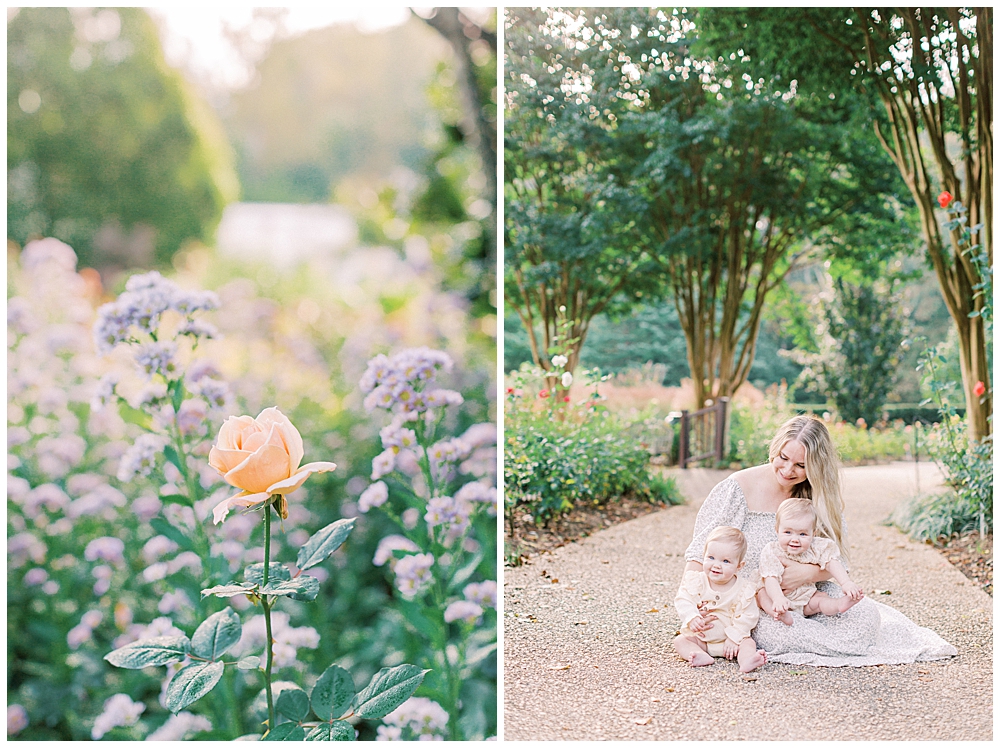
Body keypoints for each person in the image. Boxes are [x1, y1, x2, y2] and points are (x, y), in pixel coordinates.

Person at [684, 414, 957, 666]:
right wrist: (696, 603)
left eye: (801, 465)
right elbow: (699, 552)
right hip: (757, 600)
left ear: (815, 466)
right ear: (775, 448)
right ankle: (799, 640)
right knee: (773, 631)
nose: (788, 470)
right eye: (783, 457)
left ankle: (826, 638)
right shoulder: (737, 487)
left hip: (813, 593)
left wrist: (806, 573)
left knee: (865, 618)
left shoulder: (819, 496)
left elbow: (840, 561)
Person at [673, 525, 767, 672]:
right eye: (711, 558)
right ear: (703, 555)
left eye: (725, 561)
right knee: (680, 641)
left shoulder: (743, 589)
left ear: (739, 566)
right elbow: (683, 600)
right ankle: (700, 654)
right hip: (702, 639)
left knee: (748, 643)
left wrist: (734, 637)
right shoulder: (697, 581)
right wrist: (692, 617)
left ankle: (747, 660)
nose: (716, 565)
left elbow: (749, 616)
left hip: (731, 643)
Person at [757, 498, 863, 624]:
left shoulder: (816, 547)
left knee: (820, 600)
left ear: (813, 533)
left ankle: (839, 604)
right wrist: (778, 598)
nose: (795, 539)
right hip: (776, 596)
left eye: (802, 534)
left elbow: (831, 562)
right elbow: (770, 578)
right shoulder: (772, 551)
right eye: (788, 532)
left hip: (806, 596)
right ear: (777, 530)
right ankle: (779, 613)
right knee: (761, 594)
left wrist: (846, 583)